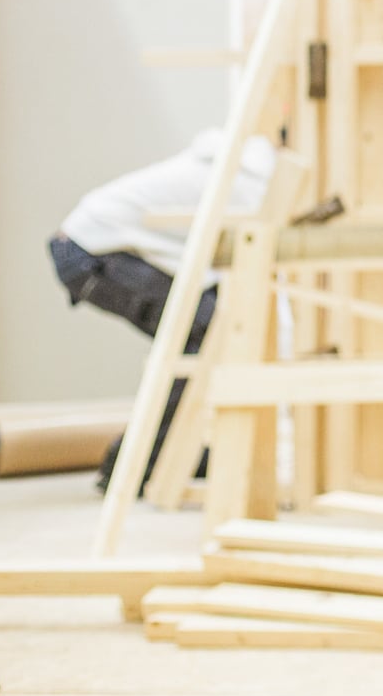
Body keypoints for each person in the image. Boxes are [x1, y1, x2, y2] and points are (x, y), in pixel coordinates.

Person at [49, 130, 281, 491]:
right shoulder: (254, 184)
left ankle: (163, 452)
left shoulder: (241, 166)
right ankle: (141, 462)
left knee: (205, 327)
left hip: (91, 245)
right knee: (200, 329)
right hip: (89, 250)